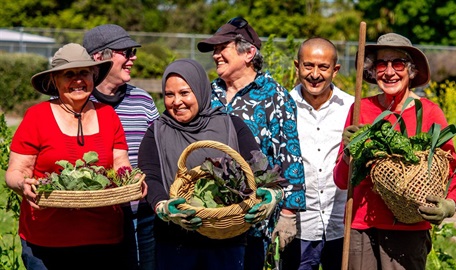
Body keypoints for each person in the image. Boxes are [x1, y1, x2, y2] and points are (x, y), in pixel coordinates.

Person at [334, 33, 456, 270]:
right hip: (361, 226)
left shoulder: (428, 112)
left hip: (408, 228)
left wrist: (449, 205)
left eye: (397, 63)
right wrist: (348, 153)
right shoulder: (360, 109)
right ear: (372, 71)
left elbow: (455, 174)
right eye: (381, 64)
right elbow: (342, 180)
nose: (389, 71)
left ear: (411, 70)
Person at [137, 59, 282, 270]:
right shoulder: (157, 131)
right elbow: (150, 176)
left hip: (227, 241)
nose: (177, 102)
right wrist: (164, 207)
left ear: (200, 90)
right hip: (175, 241)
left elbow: (259, 167)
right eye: (169, 94)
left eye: (184, 93)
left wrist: (272, 195)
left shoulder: (231, 125)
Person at [5, 43, 133, 269]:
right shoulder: (37, 117)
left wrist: (131, 182)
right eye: (69, 74)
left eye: (84, 72)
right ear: (55, 79)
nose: (78, 80)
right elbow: (15, 171)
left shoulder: (108, 115)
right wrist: (23, 185)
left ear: (94, 75)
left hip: (103, 239)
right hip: (46, 242)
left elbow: (121, 164)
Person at [197, 16, 306, 269]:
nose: (215, 56)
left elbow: (289, 155)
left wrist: (289, 214)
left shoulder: (274, 95)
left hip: (254, 218)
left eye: (221, 48)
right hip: (210, 214)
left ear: (249, 53)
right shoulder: (208, 92)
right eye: (214, 50)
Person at [83, 24, 160, 270]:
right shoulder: (78, 102)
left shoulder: (143, 100)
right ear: (99, 57)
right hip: (92, 219)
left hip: (143, 216)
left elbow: (160, 151)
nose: (133, 57)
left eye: (133, 51)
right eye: (126, 52)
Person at [280, 37, 353, 270]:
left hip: (341, 224)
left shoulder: (351, 107)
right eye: (308, 65)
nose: (315, 74)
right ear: (297, 66)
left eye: (323, 67)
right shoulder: (283, 107)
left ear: (335, 70)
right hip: (300, 226)